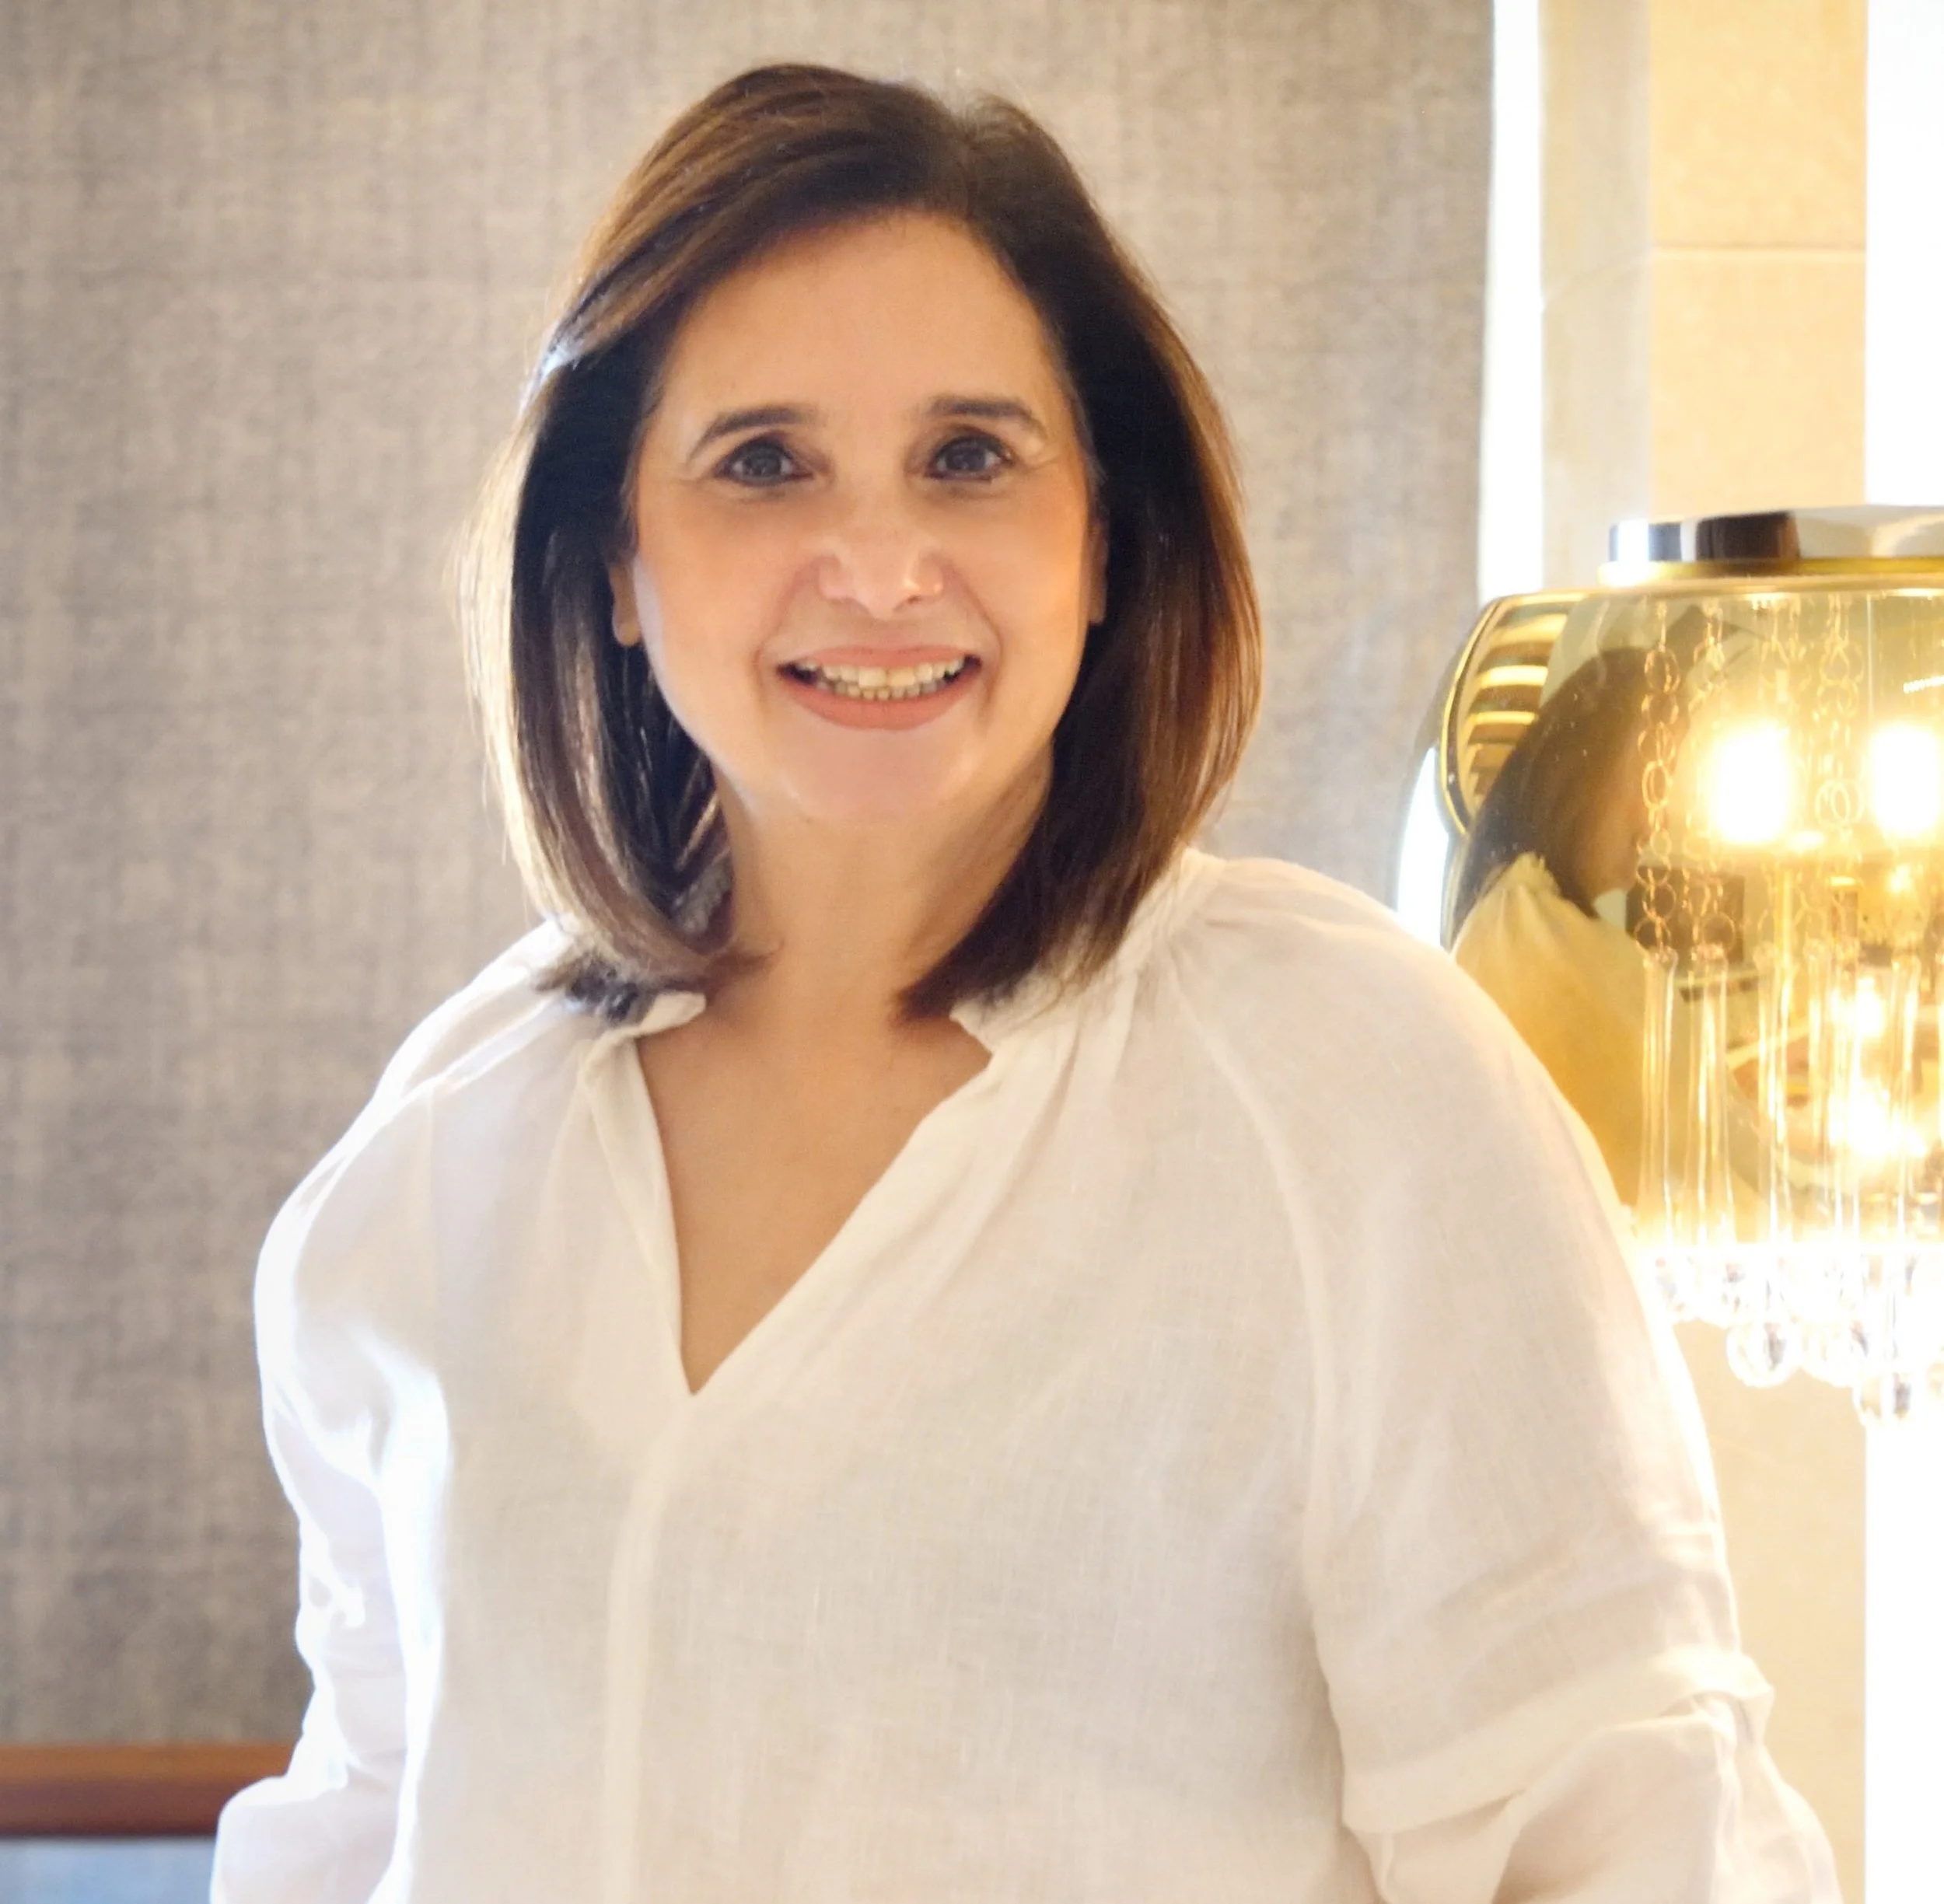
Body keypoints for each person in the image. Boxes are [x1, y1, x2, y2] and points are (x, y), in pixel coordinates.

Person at [211, 65, 1836, 1904]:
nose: (882, 562)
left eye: (970, 455)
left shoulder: (1357, 1093)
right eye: (763, 460)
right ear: (609, 567)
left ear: (1105, 543)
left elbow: (1642, 1841)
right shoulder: (437, 1158)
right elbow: (360, 1821)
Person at [1450, 648, 1660, 1199]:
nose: (1659, 813)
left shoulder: (1532, 924)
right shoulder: (1523, 935)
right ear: (1590, 763)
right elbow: (1638, 1146)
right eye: (1656, 764)